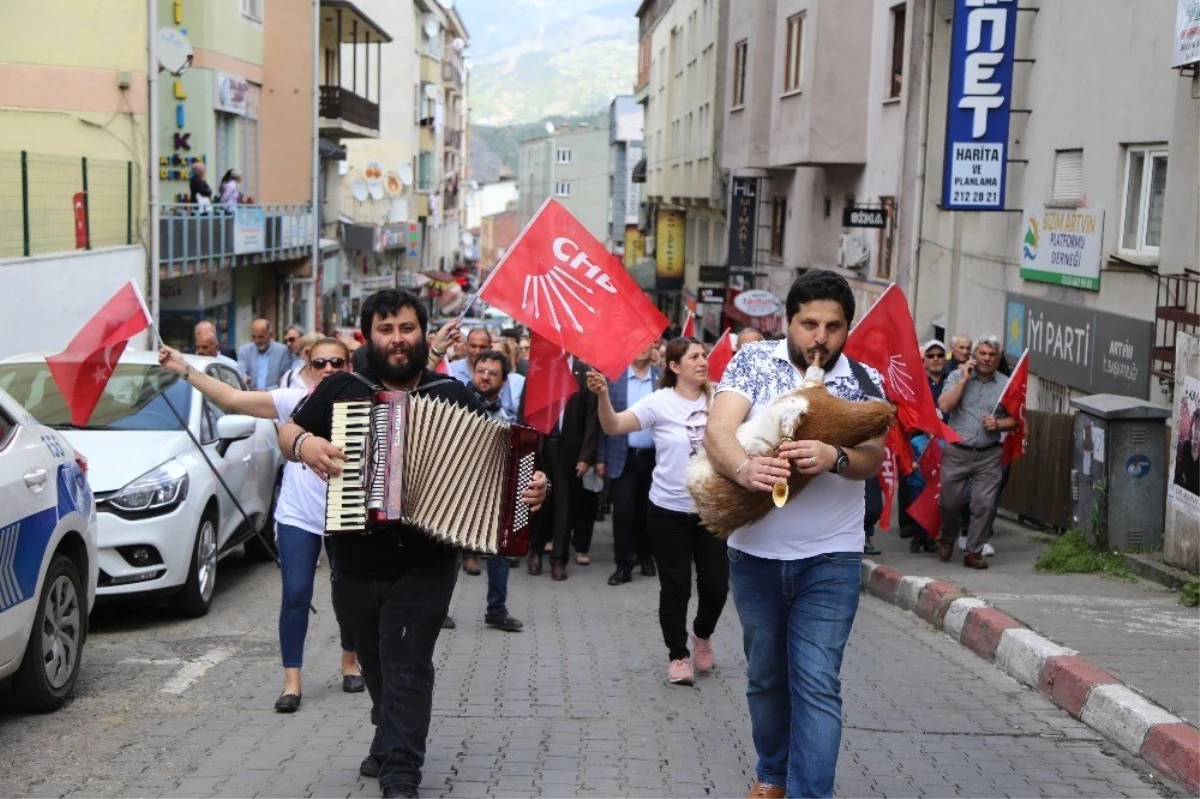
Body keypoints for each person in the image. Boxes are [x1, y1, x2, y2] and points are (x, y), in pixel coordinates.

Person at [278, 289, 547, 799]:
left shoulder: (454, 395)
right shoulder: (341, 388)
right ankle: (387, 735)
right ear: (368, 337)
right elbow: (287, 430)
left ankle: (401, 771)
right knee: (376, 664)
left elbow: (505, 468)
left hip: (426, 560)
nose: (398, 339)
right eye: (386, 330)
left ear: (423, 333)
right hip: (353, 556)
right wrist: (304, 444)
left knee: (407, 660)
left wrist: (534, 487)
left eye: (407, 328)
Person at [703, 270, 887, 799]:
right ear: (789, 321)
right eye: (809, 324)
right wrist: (743, 469)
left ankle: (811, 793)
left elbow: (874, 457)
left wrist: (836, 457)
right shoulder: (753, 362)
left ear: (848, 327)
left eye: (833, 326)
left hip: (831, 558)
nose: (820, 338)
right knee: (765, 677)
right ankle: (773, 773)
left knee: (816, 682)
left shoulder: (862, 380)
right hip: (754, 554)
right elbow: (718, 431)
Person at [155, 338, 364, 714]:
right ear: (307, 365)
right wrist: (184, 368)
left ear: (349, 365)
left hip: (347, 515)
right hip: (299, 515)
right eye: (320, 363)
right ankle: (292, 681)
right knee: (296, 594)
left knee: (350, 595)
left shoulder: (364, 401)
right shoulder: (290, 401)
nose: (329, 369)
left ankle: (350, 660)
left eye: (337, 362)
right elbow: (233, 399)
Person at [588, 338, 728, 686]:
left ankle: (702, 633)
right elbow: (614, 426)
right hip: (668, 510)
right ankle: (678, 655)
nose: (702, 361)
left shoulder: (722, 399)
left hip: (713, 510)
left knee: (716, 585)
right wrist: (604, 396)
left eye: (704, 355)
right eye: (694, 357)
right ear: (675, 366)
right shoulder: (660, 402)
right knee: (676, 587)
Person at [937, 335, 1016, 569]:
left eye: (992, 355)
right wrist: (963, 380)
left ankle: (973, 551)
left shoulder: (1005, 384)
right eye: (982, 354)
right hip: (957, 451)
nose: (987, 359)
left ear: (998, 358)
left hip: (988, 453)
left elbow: (1017, 420)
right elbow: (944, 405)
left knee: (983, 504)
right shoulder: (956, 376)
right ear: (974, 356)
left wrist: (999, 425)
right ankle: (948, 537)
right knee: (950, 502)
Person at [525, 353, 600, 582]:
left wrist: (586, 456)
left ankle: (559, 559)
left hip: (569, 450)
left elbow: (592, 418)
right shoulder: (539, 367)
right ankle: (535, 551)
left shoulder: (584, 370)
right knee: (540, 504)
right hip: (540, 446)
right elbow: (524, 409)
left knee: (564, 508)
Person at [465, 349, 524, 633]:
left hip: (493, 486)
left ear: (503, 380)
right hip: (458, 487)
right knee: (448, 550)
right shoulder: (457, 401)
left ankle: (496, 610)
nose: (485, 377)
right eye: (481, 371)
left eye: (493, 373)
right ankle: (438, 611)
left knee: (499, 547)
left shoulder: (505, 410)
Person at [595, 343, 661, 585]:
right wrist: (600, 457)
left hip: (655, 458)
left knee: (649, 512)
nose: (642, 348)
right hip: (622, 455)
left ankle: (646, 557)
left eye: (647, 343)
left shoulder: (662, 378)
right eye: (637, 343)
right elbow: (603, 417)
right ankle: (623, 564)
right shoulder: (615, 379)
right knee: (623, 511)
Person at [237, 319, 293, 390]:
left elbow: (286, 380)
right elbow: (241, 372)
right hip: (250, 396)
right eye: (254, 337)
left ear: (270, 335)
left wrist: (266, 391)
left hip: (274, 397)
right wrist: (244, 379)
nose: (257, 341)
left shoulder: (284, 352)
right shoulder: (244, 351)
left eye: (260, 337)